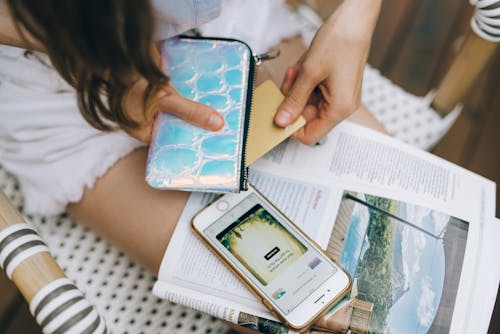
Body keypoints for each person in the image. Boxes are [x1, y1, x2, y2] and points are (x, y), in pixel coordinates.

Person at [0, 0, 382, 276]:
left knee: (385, 212)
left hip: (229, 19)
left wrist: (356, 19)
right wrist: (106, 63)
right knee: (300, 300)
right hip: (60, 90)